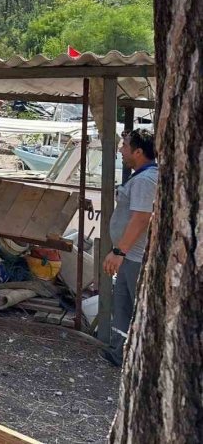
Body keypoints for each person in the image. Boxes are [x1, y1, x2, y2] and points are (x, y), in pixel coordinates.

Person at [99, 128, 158, 368]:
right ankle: (120, 353)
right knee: (122, 305)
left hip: (134, 256)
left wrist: (119, 251)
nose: (121, 151)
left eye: (125, 146)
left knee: (137, 307)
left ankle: (143, 360)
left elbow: (141, 218)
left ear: (139, 151)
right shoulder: (141, 176)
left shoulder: (146, 180)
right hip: (128, 255)